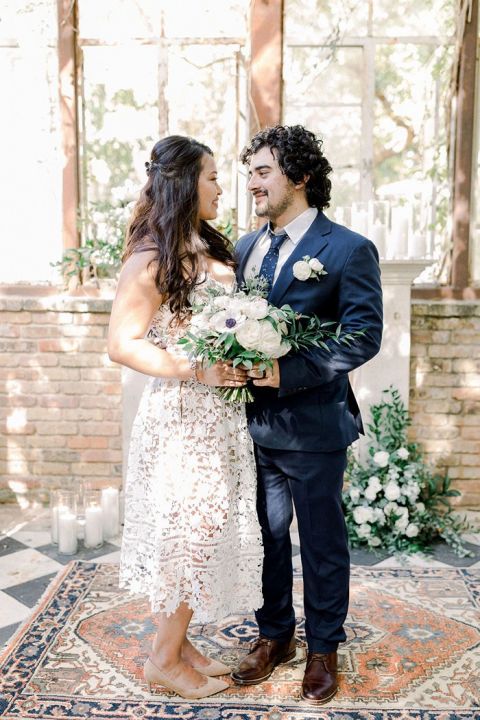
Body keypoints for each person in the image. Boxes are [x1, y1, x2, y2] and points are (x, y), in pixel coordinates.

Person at [231, 125, 383, 705]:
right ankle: (275, 637)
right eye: (249, 174)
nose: (253, 184)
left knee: (320, 542)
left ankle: (324, 648)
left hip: (315, 425)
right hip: (254, 425)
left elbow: (362, 337)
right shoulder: (246, 248)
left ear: (299, 177)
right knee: (267, 538)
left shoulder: (347, 249)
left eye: (263, 172)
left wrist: (287, 372)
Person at [108, 135, 263, 700]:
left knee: (202, 529)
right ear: (183, 183)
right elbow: (122, 344)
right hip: (182, 415)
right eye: (213, 177)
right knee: (188, 534)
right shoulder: (151, 257)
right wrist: (196, 369)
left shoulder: (208, 244)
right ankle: (164, 660)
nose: (223, 186)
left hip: (219, 416)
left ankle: (182, 642)